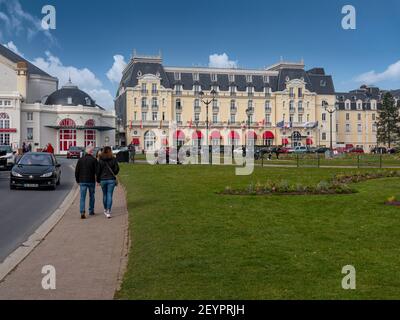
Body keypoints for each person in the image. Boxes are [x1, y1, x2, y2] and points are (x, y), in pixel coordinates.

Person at [75, 145, 98, 219]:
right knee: (92, 196)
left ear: (85, 151)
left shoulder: (80, 160)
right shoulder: (94, 160)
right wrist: (97, 180)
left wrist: (77, 180)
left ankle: (82, 212)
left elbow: (77, 171)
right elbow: (97, 171)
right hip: (91, 180)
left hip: (82, 180)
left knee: (82, 197)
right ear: (91, 152)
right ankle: (91, 210)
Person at [97, 146, 119, 219]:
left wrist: (97, 180)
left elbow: (98, 171)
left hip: (103, 179)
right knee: (110, 195)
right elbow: (117, 169)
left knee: (105, 195)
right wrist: (114, 173)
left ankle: (105, 209)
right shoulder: (113, 159)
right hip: (111, 179)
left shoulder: (100, 160)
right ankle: (108, 211)